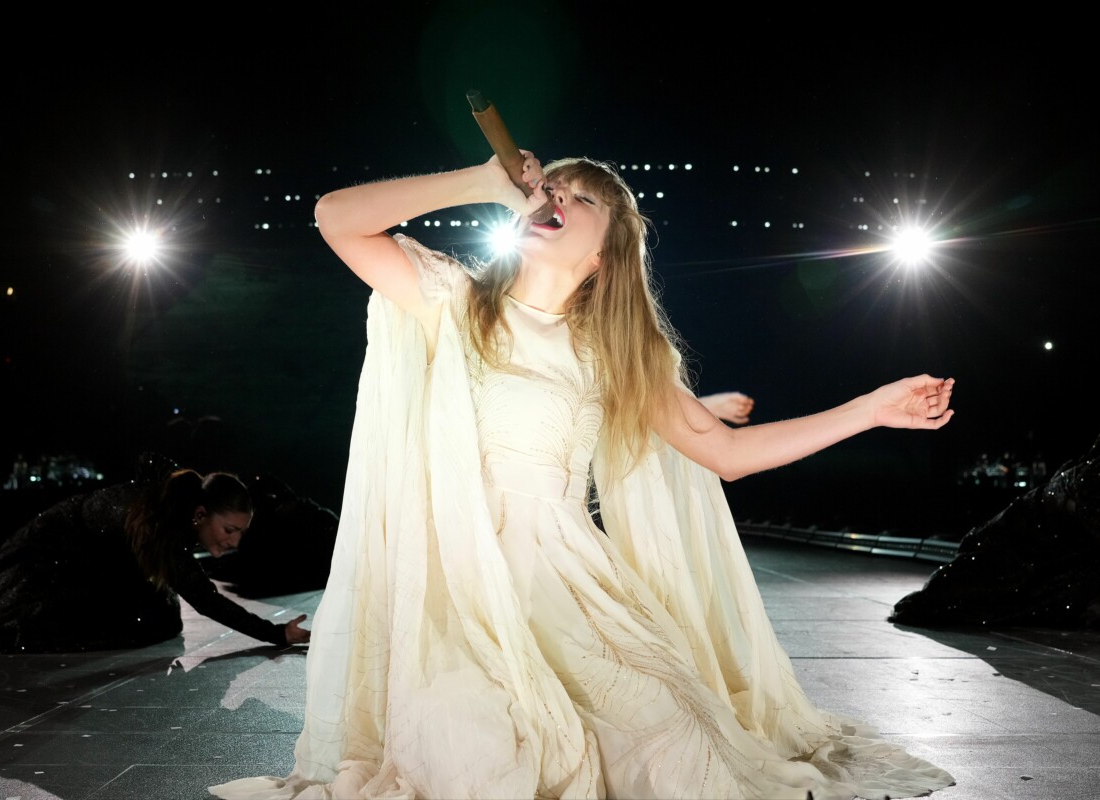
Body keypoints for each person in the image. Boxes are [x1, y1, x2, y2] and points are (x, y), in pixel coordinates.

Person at [211, 151, 956, 800]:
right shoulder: (452, 301)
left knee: (682, 752)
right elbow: (336, 218)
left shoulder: (613, 351)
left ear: (605, 254)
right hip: (460, 591)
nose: (555, 197)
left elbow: (729, 454)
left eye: (581, 197)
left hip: (570, 583)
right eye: (552, 187)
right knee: (483, 761)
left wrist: (869, 409)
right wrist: (480, 181)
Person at [0, 453, 311, 653]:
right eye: (230, 530)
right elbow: (205, 599)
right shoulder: (161, 524)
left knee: (155, 617)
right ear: (199, 515)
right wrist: (276, 633)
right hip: (55, 548)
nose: (234, 542)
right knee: (2, 622)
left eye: (241, 533)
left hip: (98, 554)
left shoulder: (176, 518)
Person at [890, 414, 1100, 629]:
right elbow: (1089, 497)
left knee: (1054, 585)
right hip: (1044, 516)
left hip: (1070, 520)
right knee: (994, 576)